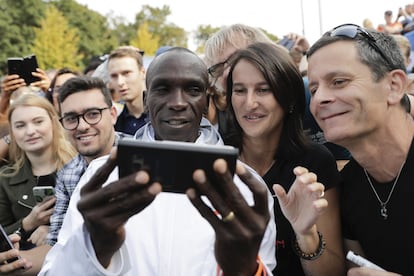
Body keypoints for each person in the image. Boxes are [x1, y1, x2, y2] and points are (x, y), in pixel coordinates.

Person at [39, 47, 280, 275]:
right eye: (163, 89)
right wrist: (92, 249)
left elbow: (261, 265)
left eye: (193, 90)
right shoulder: (100, 177)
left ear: (206, 102)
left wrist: (245, 269)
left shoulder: (245, 187)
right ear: (146, 100)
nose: (177, 103)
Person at [225, 42, 345, 275]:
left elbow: (332, 272)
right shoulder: (218, 155)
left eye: (263, 90)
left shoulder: (315, 162)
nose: (249, 103)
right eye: (239, 90)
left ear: (289, 99)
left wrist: (306, 233)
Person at [307, 23, 414, 275]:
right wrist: (305, 233)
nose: (320, 98)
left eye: (339, 81)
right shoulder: (347, 187)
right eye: (313, 89)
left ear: (394, 86)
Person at [0, 77, 126, 275]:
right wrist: (17, 262)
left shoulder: (141, 159)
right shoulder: (68, 173)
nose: (82, 125)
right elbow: (58, 244)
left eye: (93, 114)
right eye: (71, 118)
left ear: (112, 114)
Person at [0, 94, 76, 250]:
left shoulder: (80, 166)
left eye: (38, 122)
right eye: (20, 125)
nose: (30, 131)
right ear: (12, 133)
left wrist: (55, 230)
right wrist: (28, 223)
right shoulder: (5, 178)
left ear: (53, 123)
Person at [108, 46, 148, 135]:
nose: (120, 82)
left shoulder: (162, 117)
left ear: (142, 73)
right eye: (114, 76)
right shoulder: (114, 124)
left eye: (126, 73)